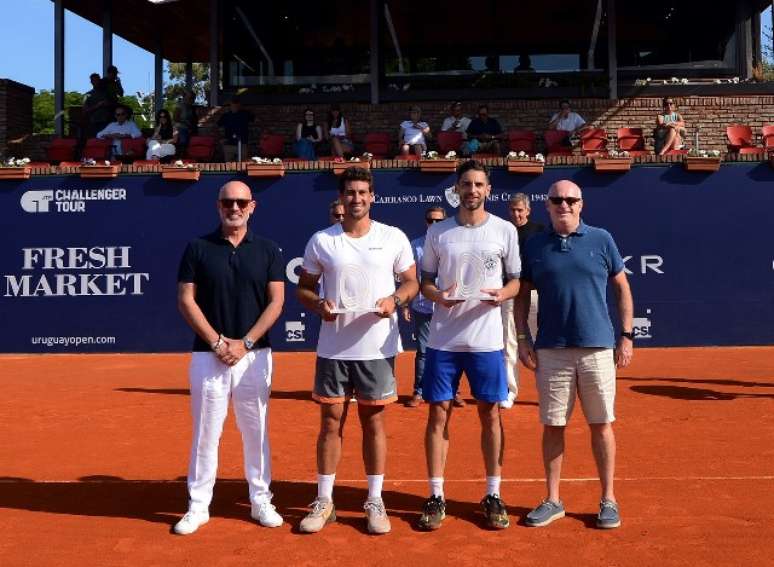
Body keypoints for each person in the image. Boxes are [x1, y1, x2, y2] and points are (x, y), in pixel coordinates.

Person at [296, 167, 419, 535]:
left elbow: (412, 281)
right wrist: (319, 305)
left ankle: (375, 500)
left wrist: (394, 299)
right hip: (334, 348)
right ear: (341, 197)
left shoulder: (393, 237)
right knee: (330, 422)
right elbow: (304, 288)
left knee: (374, 422)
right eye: (350, 192)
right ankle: (324, 500)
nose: (357, 198)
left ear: (372, 197)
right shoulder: (322, 241)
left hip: (376, 348)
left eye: (363, 192)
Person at [515, 180, 633, 530]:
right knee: (553, 425)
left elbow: (622, 287)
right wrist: (523, 337)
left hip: (597, 346)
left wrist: (625, 336)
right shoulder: (534, 245)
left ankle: (608, 499)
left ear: (581, 204)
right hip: (551, 349)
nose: (563, 205)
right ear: (547, 206)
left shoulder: (602, 239)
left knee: (601, 425)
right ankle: (553, 500)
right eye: (556, 200)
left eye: (570, 200)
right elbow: (521, 295)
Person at [173, 180, 286, 535]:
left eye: (240, 202)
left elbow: (277, 302)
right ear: (218, 206)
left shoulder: (268, 250)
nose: (234, 208)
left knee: (256, 432)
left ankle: (260, 500)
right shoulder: (197, 247)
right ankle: (198, 505)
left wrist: (245, 343)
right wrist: (219, 342)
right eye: (227, 203)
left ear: (252, 207)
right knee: (206, 432)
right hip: (209, 357)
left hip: (255, 356)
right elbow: (186, 300)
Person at [417, 160, 521, 531]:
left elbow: (515, 281)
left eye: (479, 184)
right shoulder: (439, 233)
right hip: (444, 339)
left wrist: (502, 294)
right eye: (466, 184)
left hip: (487, 340)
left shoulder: (505, 230)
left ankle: (493, 493)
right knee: (438, 414)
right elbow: (425, 280)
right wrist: (437, 296)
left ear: (488, 190)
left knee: (490, 414)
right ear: (457, 189)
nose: (472, 190)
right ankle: (436, 495)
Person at [403, 207, 465, 409]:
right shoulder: (416, 246)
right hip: (423, 307)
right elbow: (409, 279)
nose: (434, 224)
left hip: (449, 308)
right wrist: (405, 303)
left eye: (439, 221)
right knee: (422, 352)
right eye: (431, 220)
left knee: (452, 351)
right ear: (426, 222)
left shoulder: (456, 244)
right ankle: (419, 392)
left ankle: (452, 391)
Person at [499, 193, 544, 408]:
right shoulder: (503, 232)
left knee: (542, 343)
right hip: (510, 294)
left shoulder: (540, 231)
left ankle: (546, 390)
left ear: (528, 210)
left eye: (520, 210)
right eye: (513, 210)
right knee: (509, 344)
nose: (516, 214)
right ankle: (510, 391)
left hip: (535, 293)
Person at [217, 96, 254, 162]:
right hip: (229, 144)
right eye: (233, 103)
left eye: (236, 103)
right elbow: (217, 126)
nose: (235, 105)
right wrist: (221, 138)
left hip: (242, 144)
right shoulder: (226, 116)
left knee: (242, 166)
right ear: (230, 105)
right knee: (228, 167)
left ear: (239, 104)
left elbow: (255, 120)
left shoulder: (245, 114)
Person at [82, 73, 112, 138]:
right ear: (91, 82)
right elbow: (85, 110)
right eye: (94, 80)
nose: (96, 82)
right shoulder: (87, 95)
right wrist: (97, 105)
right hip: (94, 122)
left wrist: (107, 104)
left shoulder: (106, 93)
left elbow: (112, 105)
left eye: (97, 80)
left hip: (106, 121)